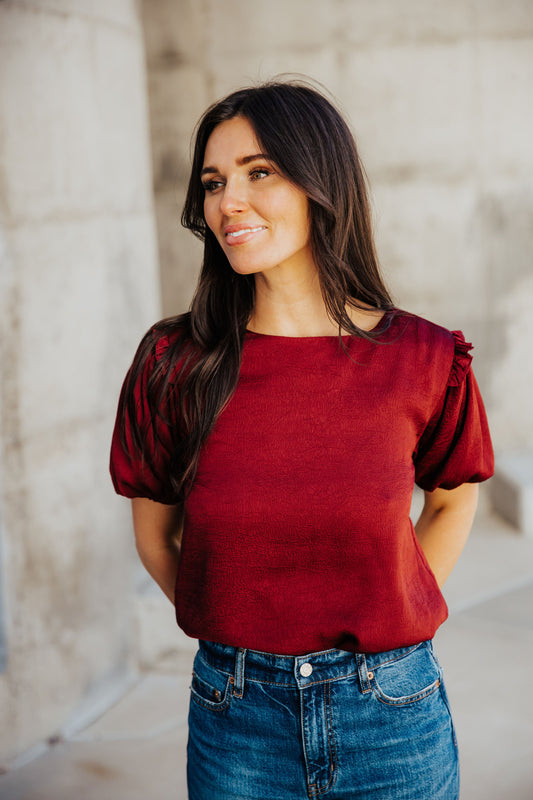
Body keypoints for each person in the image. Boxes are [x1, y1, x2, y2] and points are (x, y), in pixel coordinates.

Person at [109, 79, 494, 799]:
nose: (228, 202)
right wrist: (237, 629)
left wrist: (392, 604)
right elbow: (158, 540)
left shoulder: (423, 358)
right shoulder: (174, 364)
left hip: (392, 716)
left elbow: (450, 504)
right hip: (236, 720)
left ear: (322, 183)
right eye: (214, 182)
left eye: (260, 173)